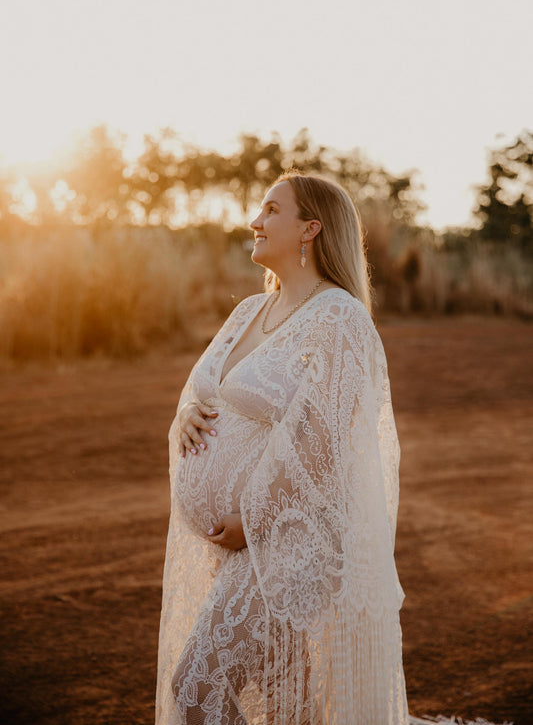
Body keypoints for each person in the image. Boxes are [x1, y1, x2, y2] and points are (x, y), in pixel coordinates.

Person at [155, 171, 409, 725]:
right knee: (287, 705)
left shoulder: (340, 317)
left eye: (271, 210)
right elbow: (206, 391)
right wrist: (187, 415)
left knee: (196, 687)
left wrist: (253, 517)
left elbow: (324, 437)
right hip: (238, 547)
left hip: (292, 538)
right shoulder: (247, 310)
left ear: (310, 229)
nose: (255, 221)